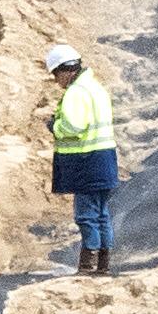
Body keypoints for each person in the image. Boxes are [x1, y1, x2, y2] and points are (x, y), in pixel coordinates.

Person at [40, 43, 118, 276]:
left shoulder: (76, 93)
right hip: (104, 160)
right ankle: (103, 263)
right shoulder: (95, 88)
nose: (56, 81)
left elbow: (74, 125)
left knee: (86, 215)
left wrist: (55, 126)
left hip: (87, 162)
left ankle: (87, 264)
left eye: (56, 75)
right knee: (102, 213)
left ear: (66, 70)